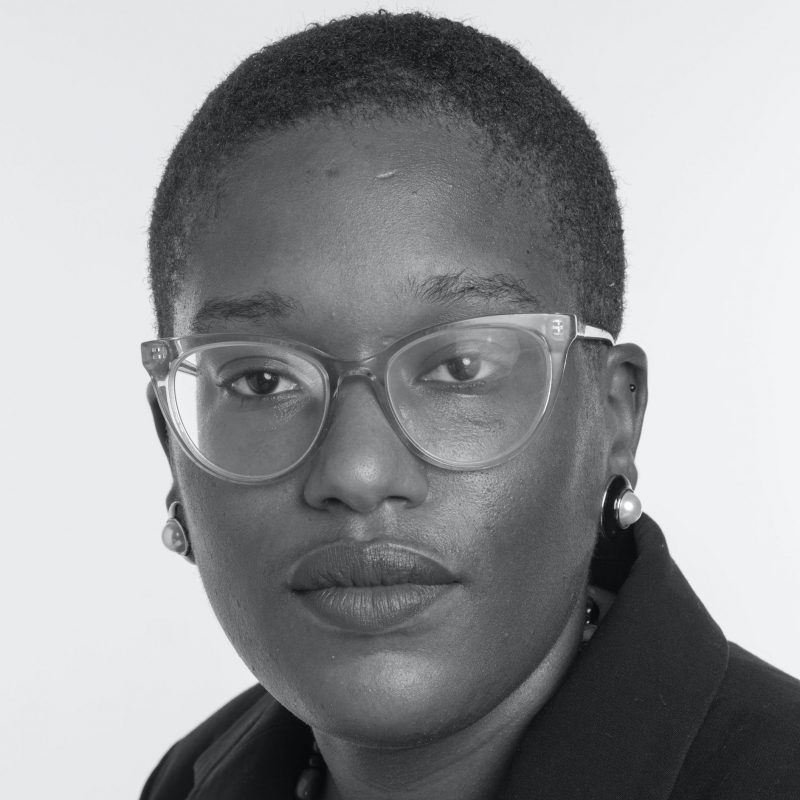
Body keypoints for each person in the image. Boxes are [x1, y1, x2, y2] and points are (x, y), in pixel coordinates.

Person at [139, 12, 800, 800]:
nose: (356, 471)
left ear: (613, 418)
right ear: (173, 448)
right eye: (260, 382)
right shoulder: (193, 779)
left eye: (457, 367)